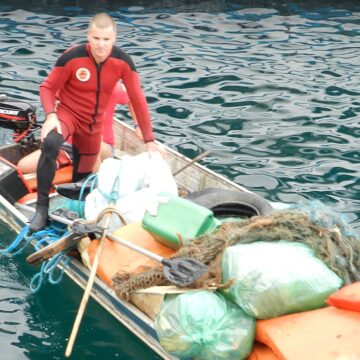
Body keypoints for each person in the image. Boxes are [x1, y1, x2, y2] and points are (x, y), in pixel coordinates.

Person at [29, 13, 158, 233]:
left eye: (106, 39)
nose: (101, 45)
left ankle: (79, 219)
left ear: (114, 38)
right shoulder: (72, 57)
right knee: (50, 143)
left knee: (82, 180)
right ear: (88, 36)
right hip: (68, 115)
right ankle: (41, 209)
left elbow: (137, 99)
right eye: (96, 38)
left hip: (93, 127)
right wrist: (51, 115)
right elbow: (47, 88)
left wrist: (149, 140)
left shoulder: (123, 62)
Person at [17, 82, 143, 174]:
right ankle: (65, 161)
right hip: (67, 147)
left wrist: (138, 125)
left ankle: (94, 185)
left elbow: (133, 97)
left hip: (103, 147)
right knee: (23, 166)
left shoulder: (112, 87)